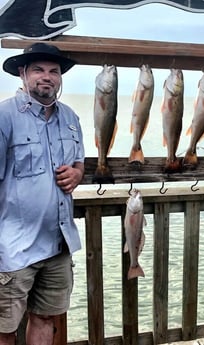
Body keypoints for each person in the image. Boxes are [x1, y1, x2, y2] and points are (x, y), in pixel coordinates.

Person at [0, 43, 85, 345]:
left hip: (58, 244)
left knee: (46, 317)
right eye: (38, 69)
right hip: (13, 249)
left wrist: (77, 174)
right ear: (23, 73)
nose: (46, 77)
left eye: (54, 71)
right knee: (4, 330)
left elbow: (79, 163)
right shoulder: (4, 116)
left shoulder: (71, 117)